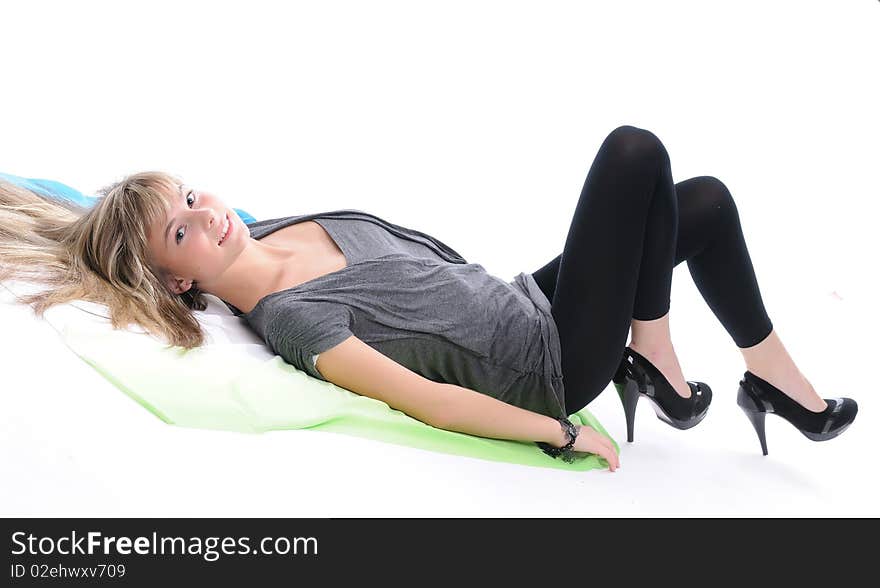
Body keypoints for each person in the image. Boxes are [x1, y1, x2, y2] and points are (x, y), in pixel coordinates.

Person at [0, 125, 857, 472]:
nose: (205, 216)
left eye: (191, 197)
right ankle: (656, 362)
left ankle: (771, 379)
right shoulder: (294, 319)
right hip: (547, 362)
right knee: (634, 155)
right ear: (178, 280)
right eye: (181, 233)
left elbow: (76, 207)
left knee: (699, 201)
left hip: (526, 297)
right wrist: (558, 431)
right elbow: (429, 401)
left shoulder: (276, 226)